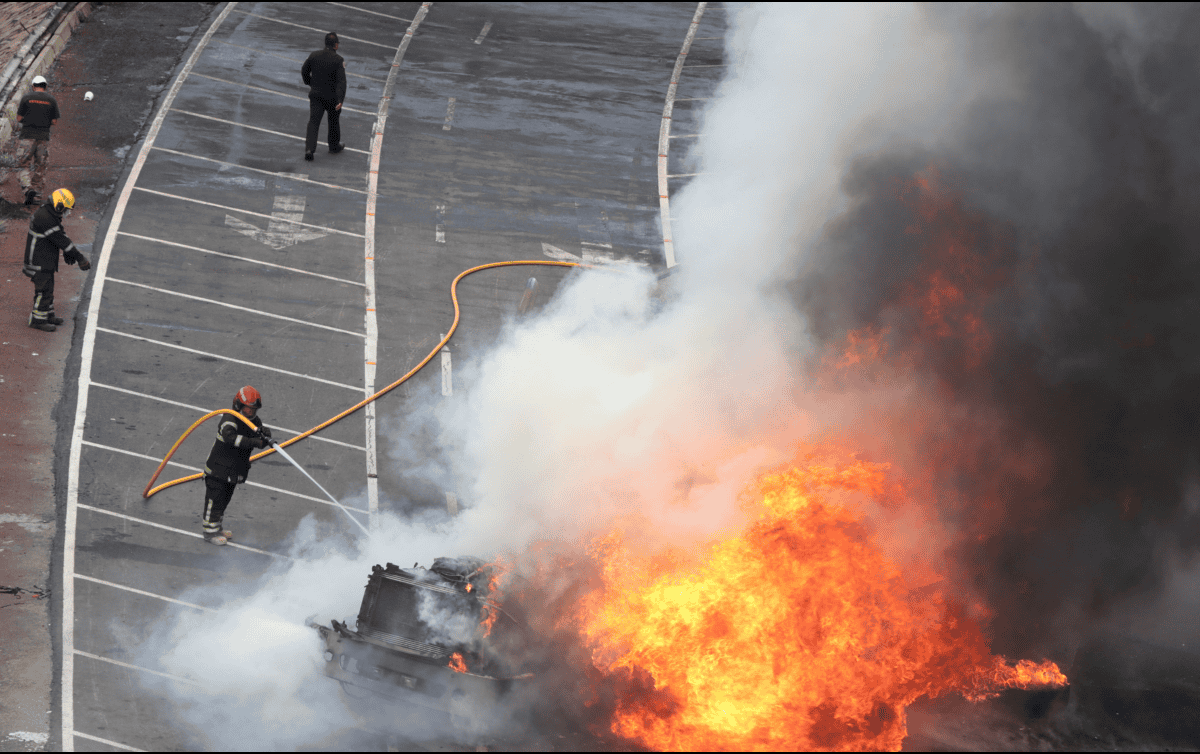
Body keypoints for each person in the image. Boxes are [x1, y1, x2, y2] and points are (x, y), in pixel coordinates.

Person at [201, 386, 273, 546]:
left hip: (233, 471)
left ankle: (217, 528)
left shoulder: (253, 421)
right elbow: (231, 438)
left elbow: (255, 432)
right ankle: (209, 532)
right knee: (215, 500)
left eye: (254, 409)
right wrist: (255, 441)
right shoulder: (229, 419)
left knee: (225, 500)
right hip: (218, 471)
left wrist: (264, 434)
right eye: (248, 408)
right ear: (238, 405)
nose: (251, 412)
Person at [23, 188, 89, 332]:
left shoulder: (49, 212)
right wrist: (80, 258)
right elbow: (61, 239)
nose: (67, 212)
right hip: (38, 261)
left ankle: (47, 314)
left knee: (49, 288)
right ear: (59, 205)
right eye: (66, 208)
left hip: (44, 259)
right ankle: (37, 320)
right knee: (43, 290)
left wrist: (67, 252)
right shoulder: (45, 217)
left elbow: (59, 233)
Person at [301, 32, 347, 161]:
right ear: (336, 45)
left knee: (314, 121)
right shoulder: (338, 60)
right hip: (331, 97)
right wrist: (340, 99)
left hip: (316, 95)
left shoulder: (314, 55)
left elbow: (304, 71)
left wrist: (310, 83)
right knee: (333, 121)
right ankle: (333, 146)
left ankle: (309, 149)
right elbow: (341, 82)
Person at [15, 75, 61, 205]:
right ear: (45, 86)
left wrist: (28, 121)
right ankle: (36, 195)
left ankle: (27, 188)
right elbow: (54, 121)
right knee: (40, 166)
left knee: (22, 164)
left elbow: (18, 119)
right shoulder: (51, 100)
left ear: (33, 86)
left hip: (27, 137)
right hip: (43, 137)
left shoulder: (26, 98)